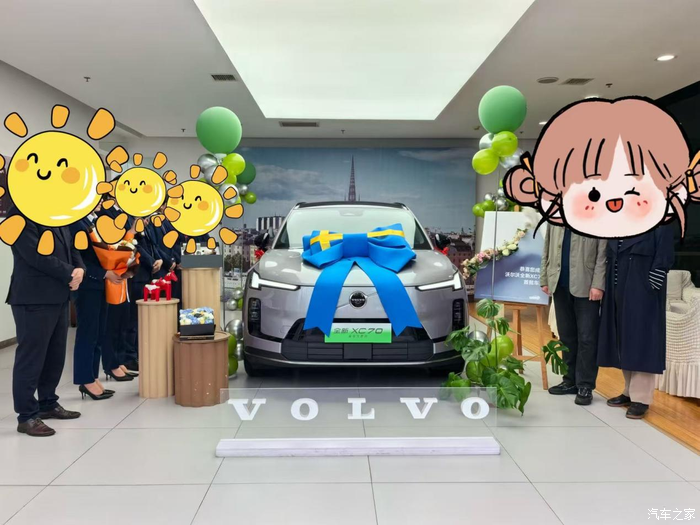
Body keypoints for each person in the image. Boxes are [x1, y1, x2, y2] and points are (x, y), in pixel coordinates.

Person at [6, 205, 84, 436]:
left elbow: (71, 247)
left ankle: (48, 402)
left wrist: (79, 269)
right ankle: (26, 416)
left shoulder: (54, 213)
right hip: (33, 297)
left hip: (58, 295)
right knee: (31, 358)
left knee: (54, 355)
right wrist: (69, 272)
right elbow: (35, 255)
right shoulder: (19, 214)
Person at [598, 224, 675, 419]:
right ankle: (629, 391)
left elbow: (664, 255)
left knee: (642, 340)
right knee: (624, 339)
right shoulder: (620, 222)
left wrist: (651, 286)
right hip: (617, 289)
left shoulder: (659, 220)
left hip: (642, 291)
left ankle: (641, 398)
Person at [541, 225, 607, 405]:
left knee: (587, 338)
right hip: (559, 283)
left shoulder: (594, 219)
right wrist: (544, 278)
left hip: (586, 285)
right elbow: (547, 248)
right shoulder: (555, 218)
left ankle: (585, 385)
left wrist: (598, 284)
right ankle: (569, 380)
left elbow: (602, 255)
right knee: (566, 336)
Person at [69, 205, 115, 400]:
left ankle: (93, 376)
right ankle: (85, 379)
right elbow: (78, 258)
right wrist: (104, 273)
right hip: (87, 285)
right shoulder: (75, 223)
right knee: (87, 333)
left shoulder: (92, 221)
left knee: (98, 332)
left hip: (100, 285)